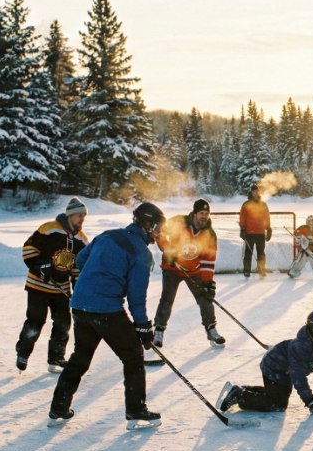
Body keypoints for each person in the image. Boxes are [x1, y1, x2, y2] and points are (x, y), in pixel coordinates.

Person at [48, 202, 165, 430]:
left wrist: (99, 274)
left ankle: (59, 407)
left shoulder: (107, 235)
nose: (160, 232)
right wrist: (143, 328)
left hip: (80, 305)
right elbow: (136, 298)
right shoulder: (142, 254)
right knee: (133, 356)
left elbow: (81, 260)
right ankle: (136, 410)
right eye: (158, 227)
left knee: (80, 356)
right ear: (147, 224)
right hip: (106, 310)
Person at [215, 310, 313, 414]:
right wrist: (311, 401)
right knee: (277, 405)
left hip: (286, 371)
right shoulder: (301, 347)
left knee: (277, 396)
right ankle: (240, 395)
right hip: (274, 368)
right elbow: (298, 377)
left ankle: (243, 389)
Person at [16, 197, 90, 373]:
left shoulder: (82, 240)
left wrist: (78, 288)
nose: (82, 219)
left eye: (84, 216)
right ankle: (23, 353)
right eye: (79, 215)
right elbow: (28, 249)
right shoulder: (49, 229)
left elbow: (78, 268)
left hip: (61, 289)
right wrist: (41, 266)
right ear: (70, 215)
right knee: (35, 322)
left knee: (63, 323)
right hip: (38, 286)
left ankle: (56, 358)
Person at [154, 198, 225, 348]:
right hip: (173, 269)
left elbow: (208, 261)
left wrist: (207, 283)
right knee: (167, 300)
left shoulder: (209, 234)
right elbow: (159, 231)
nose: (204, 216)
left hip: (194, 271)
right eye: (201, 213)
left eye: (206, 213)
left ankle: (211, 328)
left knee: (205, 299)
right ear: (194, 213)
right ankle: (159, 330)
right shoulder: (179, 222)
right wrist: (168, 250)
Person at [239, 184, 272, 278]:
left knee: (261, 252)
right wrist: (243, 229)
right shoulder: (246, 204)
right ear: (251, 192)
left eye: (257, 191)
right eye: (254, 191)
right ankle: (246, 271)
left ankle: (261, 269)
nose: (256, 193)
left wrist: (268, 228)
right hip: (249, 233)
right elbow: (242, 217)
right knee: (248, 253)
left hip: (260, 233)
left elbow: (266, 217)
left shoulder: (263, 204)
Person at [289, 215, 313, 279]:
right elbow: (296, 233)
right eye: (310, 221)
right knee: (301, 261)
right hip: (303, 249)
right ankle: (294, 272)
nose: (312, 223)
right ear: (307, 222)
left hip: (312, 250)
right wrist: (300, 238)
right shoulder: (302, 227)